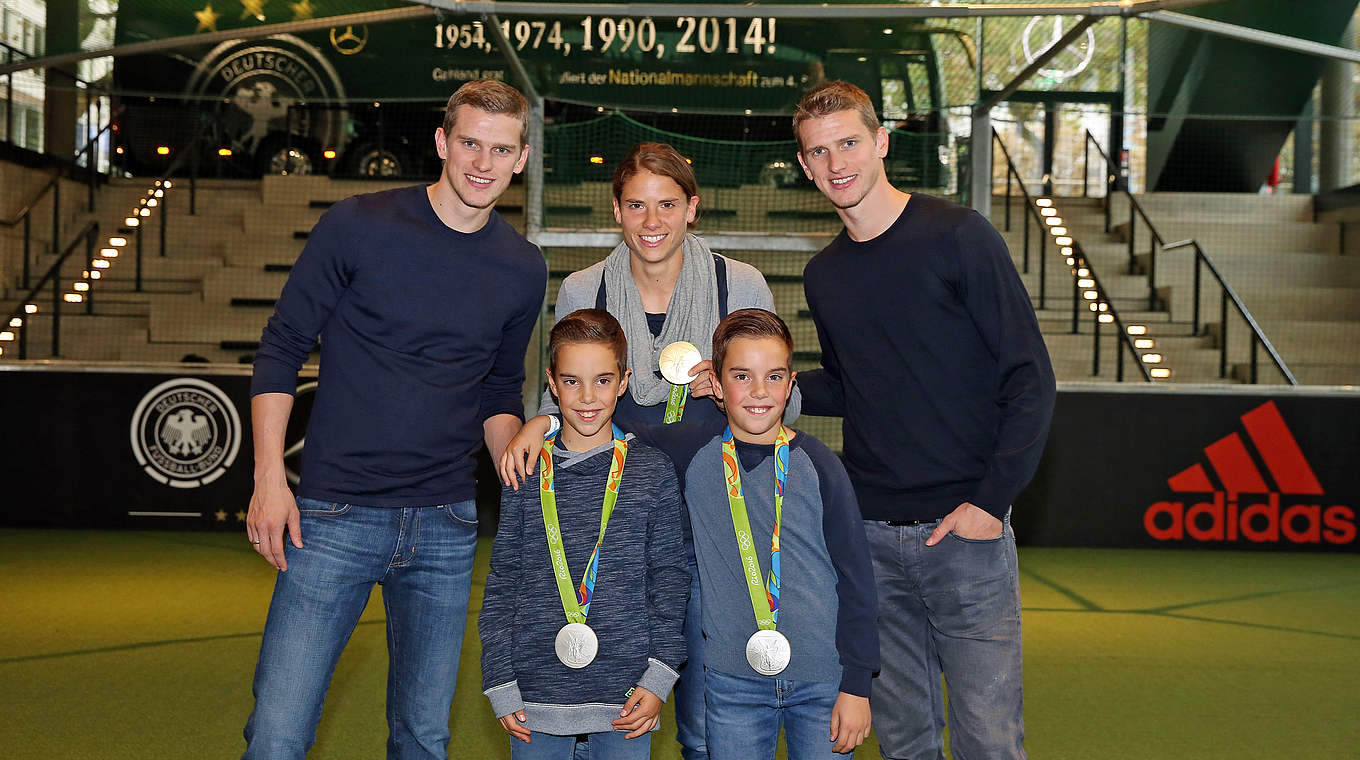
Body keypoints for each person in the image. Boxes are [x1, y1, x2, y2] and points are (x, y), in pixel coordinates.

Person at [241, 78, 546, 760]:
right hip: (329, 518)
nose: (482, 163)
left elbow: (499, 392)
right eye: (470, 142)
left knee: (423, 738)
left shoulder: (523, 268)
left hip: (445, 526)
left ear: (521, 159)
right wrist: (269, 477)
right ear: (442, 142)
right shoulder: (357, 224)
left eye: (500, 150)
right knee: (279, 735)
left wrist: (518, 463)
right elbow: (282, 349)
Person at [501, 140, 800, 760]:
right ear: (615, 210)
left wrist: (732, 388)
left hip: (722, 533)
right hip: (616, 547)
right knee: (611, 710)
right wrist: (539, 421)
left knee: (707, 721)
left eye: (667, 204)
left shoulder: (738, 284)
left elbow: (783, 407)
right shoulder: (584, 289)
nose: (652, 221)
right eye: (636, 205)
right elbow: (567, 393)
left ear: (694, 207)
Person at [792, 81, 1057, 759]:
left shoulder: (960, 236)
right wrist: (759, 388)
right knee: (906, 743)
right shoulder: (824, 275)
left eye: (848, 142)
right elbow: (853, 386)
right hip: (870, 539)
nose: (836, 162)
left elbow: (1029, 378)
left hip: (964, 535)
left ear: (881, 142)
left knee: (989, 742)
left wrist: (989, 503)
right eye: (819, 152)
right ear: (803, 166)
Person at [524, 309, 878, 759]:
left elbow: (858, 579)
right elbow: (603, 421)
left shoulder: (821, 465)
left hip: (822, 681)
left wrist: (857, 685)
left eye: (773, 377)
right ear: (716, 382)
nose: (758, 392)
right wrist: (545, 422)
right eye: (741, 376)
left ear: (791, 383)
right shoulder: (692, 451)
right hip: (731, 684)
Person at [479, 309, 690, 760]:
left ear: (624, 380)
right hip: (535, 697)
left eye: (602, 380)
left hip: (627, 698)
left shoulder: (652, 471)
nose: (587, 396)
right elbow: (503, 581)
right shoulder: (526, 469)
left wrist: (659, 675)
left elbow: (670, 579)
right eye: (572, 381)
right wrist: (500, 679)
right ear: (552, 385)